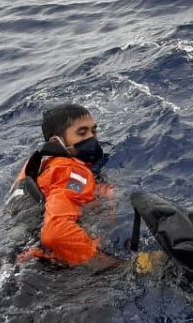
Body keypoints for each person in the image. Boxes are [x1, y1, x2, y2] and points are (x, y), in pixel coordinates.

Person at [8, 102, 119, 268]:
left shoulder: (40, 164)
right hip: (51, 270)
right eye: (82, 133)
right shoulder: (69, 170)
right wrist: (109, 264)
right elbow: (56, 233)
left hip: (15, 257)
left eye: (94, 131)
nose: (91, 138)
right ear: (56, 141)